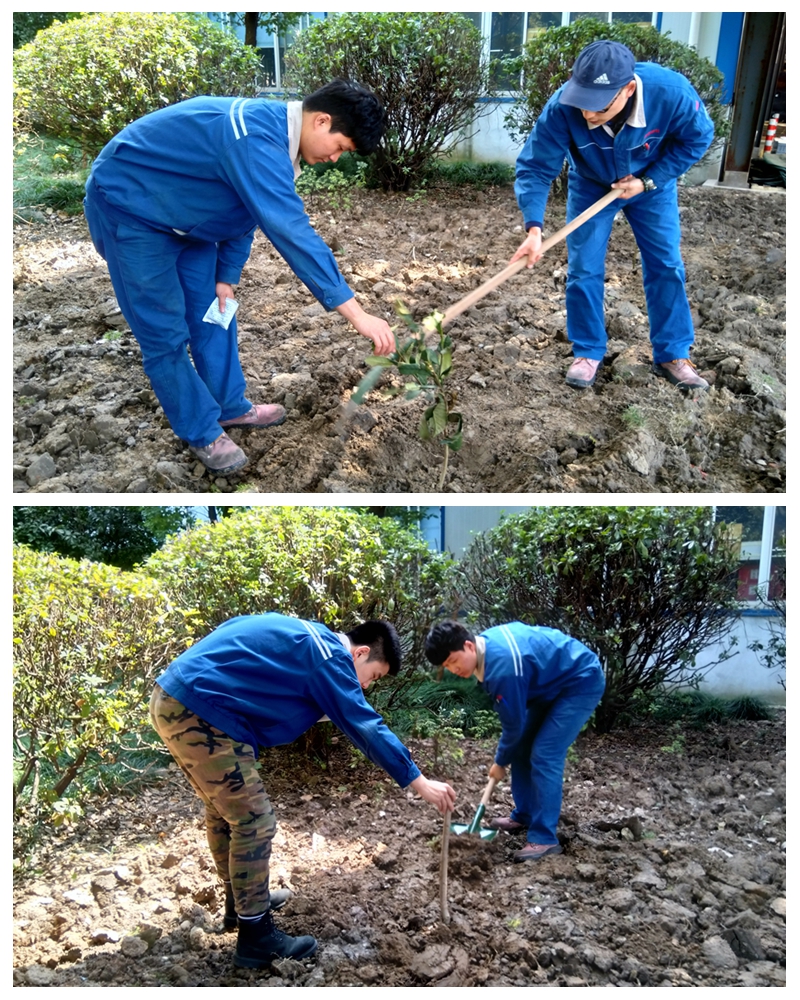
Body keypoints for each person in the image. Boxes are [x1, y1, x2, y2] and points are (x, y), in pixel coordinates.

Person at [84, 79, 395, 475]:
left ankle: (229, 407)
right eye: (340, 147)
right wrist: (357, 314)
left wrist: (227, 275)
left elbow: (245, 210)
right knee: (164, 333)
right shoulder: (254, 139)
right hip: (131, 210)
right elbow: (290, 230)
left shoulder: (279, 144)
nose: (335, 159)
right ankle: (201, 431)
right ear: (322, 121)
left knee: (216, 312)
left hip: (187, 218)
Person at [150, 613, 455, 969]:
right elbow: (365, 724)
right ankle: (256, 938)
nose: (367, 686)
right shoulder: (330, 658)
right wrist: (419, 781)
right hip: (200, 711)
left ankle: (241, 903)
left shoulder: (309, 640)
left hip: (176, 698)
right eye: (373, 676)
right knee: (254, 821)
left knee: (225, 811)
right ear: (360, 653)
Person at [511, 40, 715, 391]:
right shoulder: (562, 107)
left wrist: (649, 180)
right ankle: (587, 351)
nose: (588, 115)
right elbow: (536, 168)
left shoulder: (672, 94)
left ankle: (673, 353)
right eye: (583, 103)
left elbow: (697, 138)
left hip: (651, 187)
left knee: (665, 263)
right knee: (584, 267)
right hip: (592, 184)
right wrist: (534, 228)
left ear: (628, 89)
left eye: (599, 106)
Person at [425, 620, 604, 862]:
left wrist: (500, 763)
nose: (453, 669)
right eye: (447, 666)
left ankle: (544, 838)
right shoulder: (485, 650)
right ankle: (525, 815)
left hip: (579, 681)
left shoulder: (503, 669)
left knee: (545, 753)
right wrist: (505, 756)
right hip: (551, 683)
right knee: (521, 749)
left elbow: (514, 726)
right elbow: (515, 731)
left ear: (468, 646)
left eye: (453, 661)